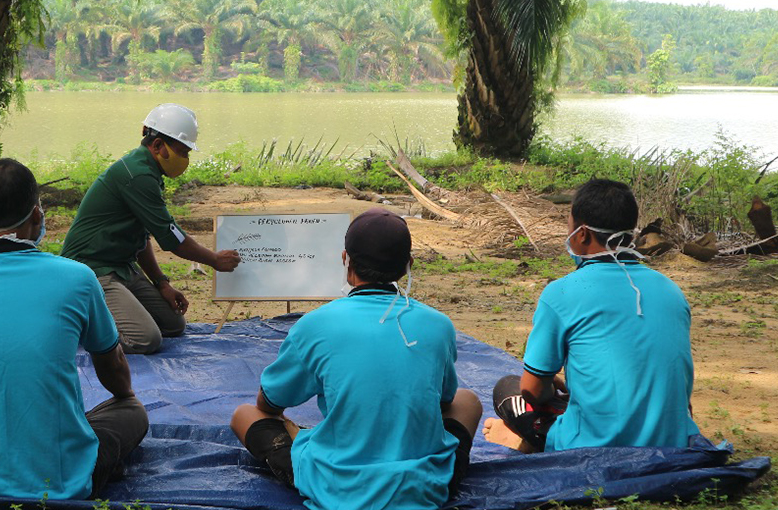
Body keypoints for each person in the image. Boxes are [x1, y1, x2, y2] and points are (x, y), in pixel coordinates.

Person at [0, 159, 148, 500]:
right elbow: (112, 366)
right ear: (37, 216)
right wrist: (124, 396)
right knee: (133, 411)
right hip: (60, 483)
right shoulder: (78, 278)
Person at [229, 208, 481, 510]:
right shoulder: (439, 325)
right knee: (468, 401)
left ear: (345, 259)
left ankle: (306, 468)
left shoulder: (315, 325)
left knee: (244, 414)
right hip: (424, 486)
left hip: (337, 489)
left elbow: (269, 404)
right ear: (409, 265)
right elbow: (445, 401)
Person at [482, 179, 700, 453]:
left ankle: (525, 439)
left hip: (592, 448)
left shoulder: (561, 293)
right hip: (671, 442)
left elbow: (532, 391)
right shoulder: (671, 291)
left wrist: (548, 385)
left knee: (508, 389)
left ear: (582, 234)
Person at [61, 103, 241, 354]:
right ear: (157, 146)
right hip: (92, 270)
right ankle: (79, 323)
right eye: (182, 152)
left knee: (173, 324)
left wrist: (161, 283)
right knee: (145, 339)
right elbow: (172, 237)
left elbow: (143, 237)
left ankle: (104, 314)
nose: (185, 160)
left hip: (121, 267)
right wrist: (214, 259)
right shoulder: (137, 175)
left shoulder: (148, 172)